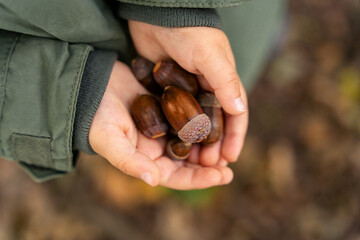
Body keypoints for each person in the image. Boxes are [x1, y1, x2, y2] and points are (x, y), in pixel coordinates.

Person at [0, 0, 285, 190]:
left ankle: (270, 33)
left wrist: (170, 9)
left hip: (223, 17)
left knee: (253, 36)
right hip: (84, 56)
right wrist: (69, 92)